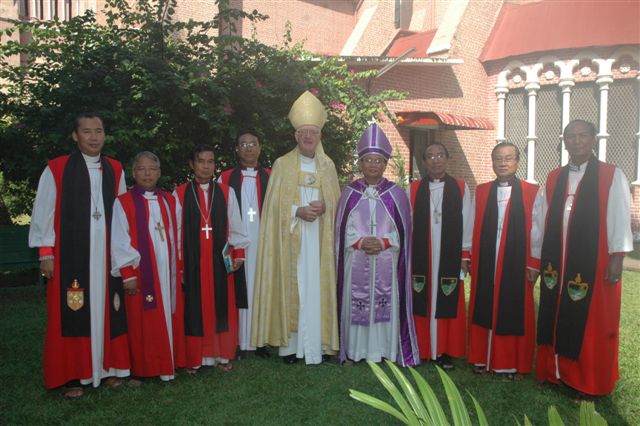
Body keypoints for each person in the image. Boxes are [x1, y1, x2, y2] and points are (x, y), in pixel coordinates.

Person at [29, 113, 129, 398]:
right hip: (70, 256)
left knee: (110, 308)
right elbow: (43, 213)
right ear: (75, 135)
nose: (94, 137)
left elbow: (123, 217)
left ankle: (109, 368)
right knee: (72, 311)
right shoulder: (57, 169)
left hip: (107, 255)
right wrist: (45, 252)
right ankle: (73, 374)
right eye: (87, 132)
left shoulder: (116, 169)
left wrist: (123, 256)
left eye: (99, 131)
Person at [533, 120, 633, 397]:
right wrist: (536, 259)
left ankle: (585, 380)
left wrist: (617, 256)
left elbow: (619, 217)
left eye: (582, 136)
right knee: (553, 312)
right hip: (557, 263)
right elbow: (541, 221)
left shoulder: (611, 175)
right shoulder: (554, 177)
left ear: (593, 140)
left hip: (595, 262)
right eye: (570, 137)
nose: (577, 141)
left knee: (591, 321)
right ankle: (554, 371)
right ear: (563, 142)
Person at [251, 91, 341, 364]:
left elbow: (338, 204)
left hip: (319, 239)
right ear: (295, 136)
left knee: (317, 288)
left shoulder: (328, 166)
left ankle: (321, 344)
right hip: (291, 239)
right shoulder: (282, 165)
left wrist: (325, 207)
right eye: (303, 133)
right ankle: (290, 347)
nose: (308, 137)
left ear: (320, 137)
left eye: (313, 133)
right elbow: (273, 211)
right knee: (295, 287)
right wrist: (296, 211)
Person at [335, 123, 420, 366]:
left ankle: (384, 350)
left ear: (385, 164)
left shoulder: (396, 194)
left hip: (387, 260)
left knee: (385, 302)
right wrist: (360, 241)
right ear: (361, 163)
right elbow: (342, 231)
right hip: (356, 258)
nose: (373, 164)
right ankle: (355, 350)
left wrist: (384, 242)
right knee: (356, 302)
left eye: (379, 160)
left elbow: (404, 232)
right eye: (369, 160)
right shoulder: (350, 193)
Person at [173, 144, 249, 372]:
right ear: (192, 164)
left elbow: (236, 225)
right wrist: (179, 265)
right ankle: (194, 358)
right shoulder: (179, 193)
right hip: (193, 261)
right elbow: (175, 231)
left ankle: (223, 354)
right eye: (201, 161)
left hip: (219, 261)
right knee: (194, 308)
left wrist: (239, 254)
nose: (206, 166)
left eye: (210, 162)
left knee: (221, 306)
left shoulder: (226, 192)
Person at [467, 142, 539, 378]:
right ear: (492, 162)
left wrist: (534, 262)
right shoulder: (483, 190)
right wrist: (467, 255)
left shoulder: (531, 192)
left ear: (518, 162)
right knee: (484, 304)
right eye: (498, 158)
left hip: (516, 259)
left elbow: (538, 230)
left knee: (514, 307)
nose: (503, 163)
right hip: (486, 255)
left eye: (508, 158)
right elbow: (472, 225)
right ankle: (481, 356)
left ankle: (513, 363)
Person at [111, 151, 179, 382]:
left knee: (167, 317)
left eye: (152, 169)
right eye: (142, 169)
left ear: (159, 173)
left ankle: (167, 363)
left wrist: (179, 267)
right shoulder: (123, 202)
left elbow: (178, 236)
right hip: (141, 273)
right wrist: (128, 274)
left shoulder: (169, 200)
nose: (147, 173)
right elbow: (119, 240)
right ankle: (145, 367)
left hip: (167, 271)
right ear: (134, 172)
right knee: (142, 322)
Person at [409, 142, 472, 370]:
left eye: (439, 155)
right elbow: (408, 225)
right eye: (430, 156)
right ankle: (423, 348)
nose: (435, 160)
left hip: (449, 255)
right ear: (424, 162)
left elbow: (467, 223)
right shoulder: (414, 189)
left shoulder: (462, 188)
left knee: (447, 298)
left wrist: (465, 255)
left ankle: (444, 351)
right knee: (421, 297)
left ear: (448, 159)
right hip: (421, 255)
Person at [219, 131, 270, 357]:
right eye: (243, 144)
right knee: (238, 288)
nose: (248, 148)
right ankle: (238, 341)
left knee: (261, 287)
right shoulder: (226, 177)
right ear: (237, 150)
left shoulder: (271, 176)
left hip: (264, 242)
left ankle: (261, 340)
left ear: (260, 148)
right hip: (236, 243)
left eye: (253, 144)